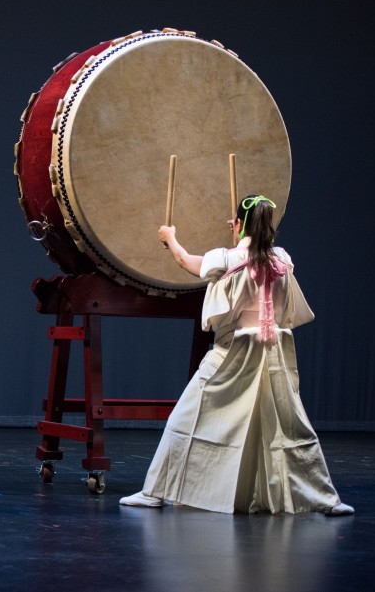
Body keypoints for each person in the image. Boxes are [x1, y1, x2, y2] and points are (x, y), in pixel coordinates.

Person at [119, 195, 354, 516]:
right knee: (287, 425)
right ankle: (327, 499)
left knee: (186, 419)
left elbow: (186, 261)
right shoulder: (282, 260)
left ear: (239, 224)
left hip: (232, 354)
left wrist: (170, 237)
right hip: (271, 354)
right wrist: (243, 234)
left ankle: (154, 493)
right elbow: (259, 258)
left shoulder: (225, 259)